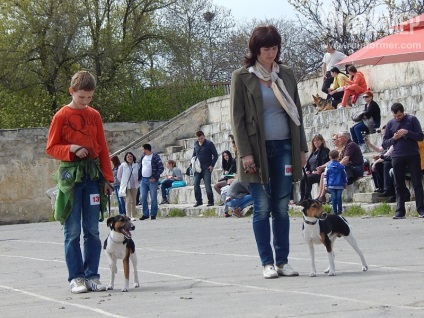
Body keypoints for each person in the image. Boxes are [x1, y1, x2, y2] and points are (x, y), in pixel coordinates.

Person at [230, 25, 307, 279]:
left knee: (282, 206)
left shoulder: (285, 73)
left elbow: (297, 113)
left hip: (285, 144)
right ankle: (267, 263)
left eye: (274, 48)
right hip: (256, 150)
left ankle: (283, 261)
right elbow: (237, 119)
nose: (271, 53)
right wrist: (245, 153)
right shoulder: (242, 77)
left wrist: (302, 148)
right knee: (262, 207)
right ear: (255, 50)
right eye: (266, 49)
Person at [46, 70, 113, 294]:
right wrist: (71, 148)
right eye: (81, 97)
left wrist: (108, 179)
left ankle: (92, 275)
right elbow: (51, 147)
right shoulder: (61, 116)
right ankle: (76, 277)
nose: (85, 102)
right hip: (70, 178)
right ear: (71, 92)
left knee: (92, 230)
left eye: (89, 98)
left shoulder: (94, 115)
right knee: (72, 230)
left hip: (93, 177)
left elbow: (102, 147)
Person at [382, 103, 424, 219]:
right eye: (395, 116)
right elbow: (384, 143)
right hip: (397, 156)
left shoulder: (412, 120)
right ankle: (400, 211)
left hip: (412, 154)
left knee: (417, 183)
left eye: (399, 116)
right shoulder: (390, 123)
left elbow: (420, 136)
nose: (397, 118)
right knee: (399, 185)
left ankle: (421, 209)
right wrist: (394, 138)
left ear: (403, 112)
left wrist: (407, 132)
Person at [300, 134, 330, 201]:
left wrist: (319, 169)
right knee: (303, 177)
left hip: (320, 174)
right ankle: (302, 198)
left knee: (308, 178)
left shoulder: (326, 151)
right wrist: (307, 170)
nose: (316, 142)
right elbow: (308, 165)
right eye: (314, 141)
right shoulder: (313, 152)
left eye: (318, 140)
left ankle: (307, 197)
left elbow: (326, 162)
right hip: (312, 173)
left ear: (322, 141)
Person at [192, 131, 218, 207]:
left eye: (202, 138)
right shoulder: (196, 144)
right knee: (196, 184)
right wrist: (192, 162)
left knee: (207, 185)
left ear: (204, 136)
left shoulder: (209, 144)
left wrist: (212, 165)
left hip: (207, 167)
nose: (200, 140)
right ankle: (198, 201)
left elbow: (215, 155)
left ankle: (210, 201)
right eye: (199, 139)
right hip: (197, 168)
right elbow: (194, 154)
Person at [138, 144, 164, 220]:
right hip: (143, 179)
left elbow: (161, 168)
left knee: (153, 197)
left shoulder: (155, 156)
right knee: (143, 197)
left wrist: (155, 177)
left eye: (143, 150)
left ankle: (153, 214)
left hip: (152, 179)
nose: (142, 151)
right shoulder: (143, 157)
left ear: (146, 149)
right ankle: (145, 214)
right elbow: (141, 167)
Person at [315, 134, 343, 202]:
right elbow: (330, 162)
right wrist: (322, 167)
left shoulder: (342, 149)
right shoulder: (335, 150)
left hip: (338, 169)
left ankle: (321, 196)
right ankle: (320, 195)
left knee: (324, 174)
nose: (333, 141)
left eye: (334, 139)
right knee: (323, 174)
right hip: (334, 168)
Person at [117, 152, 139, 221]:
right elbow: (119, 176)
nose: (130, 158)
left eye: (131, 156)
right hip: (126, 186)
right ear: (126, 158)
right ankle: (128, 215)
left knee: (134, 201)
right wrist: (123, 182)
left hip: (134, 185)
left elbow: (139, 174)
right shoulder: (123, 166)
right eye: (128, 157)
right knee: (128, 200)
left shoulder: (136, 165)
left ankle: (133, 215)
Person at [324, 150, 347, 215]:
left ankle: (334, 211)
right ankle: (339, 210)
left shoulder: (328, 167)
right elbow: (344, 175)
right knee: (339, 197)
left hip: (331, 185)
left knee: (333, 198)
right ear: (338, 157)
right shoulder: (341, 166)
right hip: (339, 184)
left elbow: (325, 176)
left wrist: (326, 185)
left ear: (330, 157)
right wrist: (345, 183)